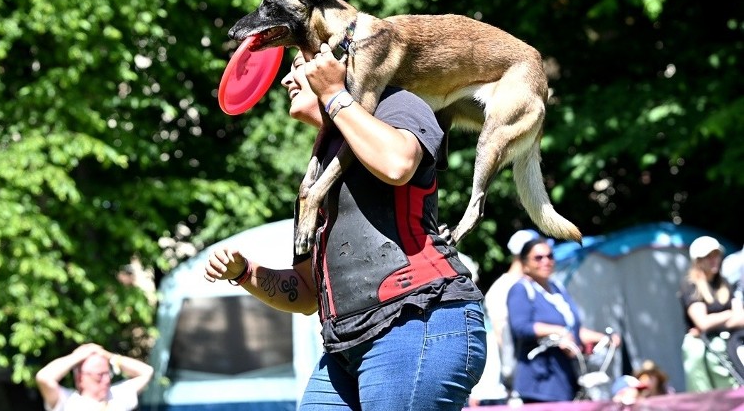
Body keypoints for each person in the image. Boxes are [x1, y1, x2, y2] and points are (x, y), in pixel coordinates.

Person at [204, 45, 487, 410]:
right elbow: (307, 293)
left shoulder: (395, 104)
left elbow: (398, 164)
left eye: (298, 67)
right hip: (344, 346)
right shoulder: (315, 177)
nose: (286, 80)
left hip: (419, 319)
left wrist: (336, 94)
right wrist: (244, 273)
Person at [506, 237, 620, 404]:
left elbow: (573, 329)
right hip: (540, 384)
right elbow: (521, 327)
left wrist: (604, 338)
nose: (546, 261)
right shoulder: (521, 289)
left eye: (550, 256)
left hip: (566, 381)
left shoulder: (557, 289)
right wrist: (559, 332)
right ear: (525, 264)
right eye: (538, 258)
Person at [679, 235, 744, 392]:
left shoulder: (724, 284)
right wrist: (730, 314)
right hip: (702, 347)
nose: (713, 260)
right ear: (698, 260)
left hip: (728, 344)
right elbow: (702, 322)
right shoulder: (691, 285)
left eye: (716, 255)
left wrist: (715, 321)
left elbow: (741, 318)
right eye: (708, 256)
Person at [484, 228, 544, 390]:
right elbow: (501, 334)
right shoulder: (502, 288)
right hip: (515, 380)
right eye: (537, 255)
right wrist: (516, 377)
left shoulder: (535, 285)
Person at [35, 343, 153, 411]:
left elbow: (146, 371)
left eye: (107, 373)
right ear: (80, 377)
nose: (106, 380)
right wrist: (78, 356)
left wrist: (109, 356)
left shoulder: (117, 396)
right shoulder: (67, 401)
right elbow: (43, 377)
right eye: (99, 375)